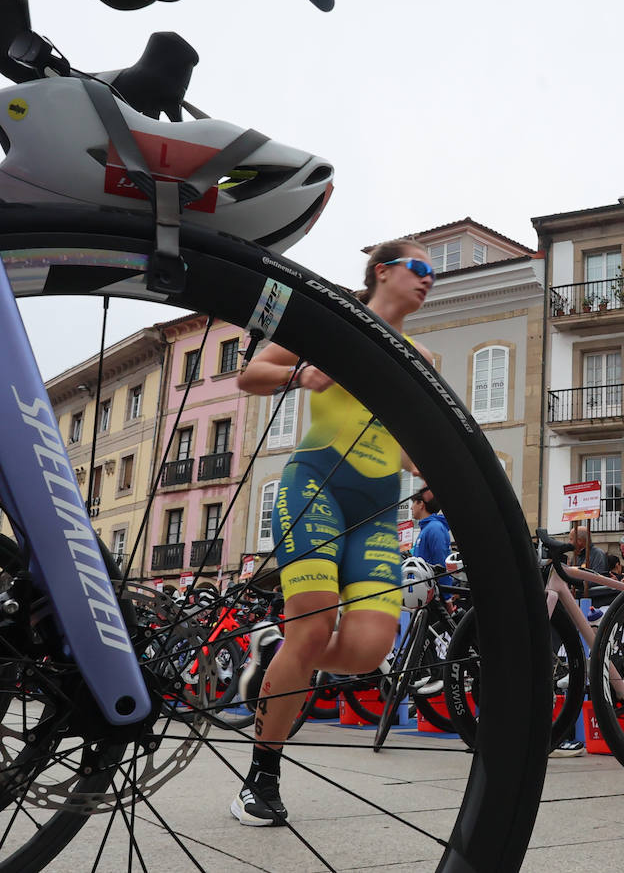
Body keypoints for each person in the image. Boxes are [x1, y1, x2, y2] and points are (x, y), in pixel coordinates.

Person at [229, 239, 435, 826]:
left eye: (433, 276)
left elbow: (418, 436)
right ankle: (262, 776)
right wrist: (301, 373)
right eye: (419, 269)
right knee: (315, 620)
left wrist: (424, 463)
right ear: (383, 271)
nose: (428, 281)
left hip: (375, 504)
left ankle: (276, 648)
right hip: (315, 482)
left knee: (370, 649)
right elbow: (252, 374)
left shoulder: (422, 355)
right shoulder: (335, 322)